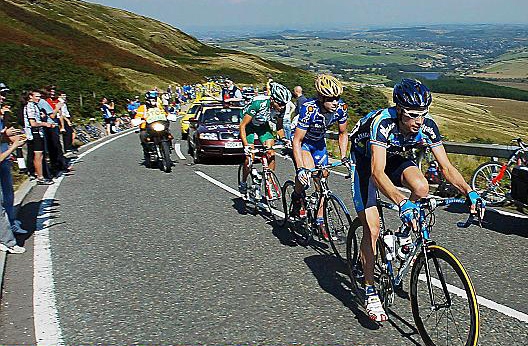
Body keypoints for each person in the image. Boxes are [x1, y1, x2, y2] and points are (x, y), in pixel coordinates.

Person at [349, 78, 485, 322]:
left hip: (393, 156)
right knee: (373, 229)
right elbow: (377, 173)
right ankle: (370, 291)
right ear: (400, 111)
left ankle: (402, 236)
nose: (419, 121)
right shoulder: (383, 123)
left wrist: (469, 192)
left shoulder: (427, 126)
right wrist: (402, 203)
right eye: (412, 115)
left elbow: (446, 167)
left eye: (423, 114)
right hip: (365, 162)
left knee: (421, 187)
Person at [290, 75, 349, 240]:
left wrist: (344, 157)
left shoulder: (341, 108)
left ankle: (320, 220)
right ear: (321, 97)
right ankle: (297, 195)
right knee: (307, 174)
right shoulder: (309, 109)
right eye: (331, 99)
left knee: (323, 180)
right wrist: (301, 168)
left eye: (337, 98)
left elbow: (343, 133)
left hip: (319, 144)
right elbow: (297, 140)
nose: (335, 102)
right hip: (304, 143)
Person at [238, 82, 291, 194]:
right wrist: (246, 146)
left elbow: (279, 126)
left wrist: (284, 139)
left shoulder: (283, 107)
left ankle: (269, 181)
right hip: (248, 125)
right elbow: (242, 126)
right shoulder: (258, 103)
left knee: (270, 153)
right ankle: (243, 182)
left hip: (262, 125)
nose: (282, 107)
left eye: (284, 104)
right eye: (280, 104)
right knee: (250, 157)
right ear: (272, 99)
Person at [0, 82, 29, 235]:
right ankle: (6, 230)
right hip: (2, 155)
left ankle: (11, 221)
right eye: (1, 94)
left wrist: (10, 134)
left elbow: (2, 134)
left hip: (4, 156)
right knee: (3, 196)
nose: (3, 97)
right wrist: (14, 143)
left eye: (4, 94)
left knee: (8, 193)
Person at [23, 90, 55, 185]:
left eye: (39, 96)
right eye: (37, 96)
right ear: (30, 96)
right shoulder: (30, 107)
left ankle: (39, 175)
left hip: (37, 133)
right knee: (38, 156)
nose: (39, 98)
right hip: (35, 133)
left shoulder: (34, 106)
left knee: (39, 155)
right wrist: (45, 124)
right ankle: (40, 177)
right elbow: (33, 123)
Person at [134, 90, 167, 163]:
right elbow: (138, 116)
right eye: (151, 99)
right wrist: (139, 120)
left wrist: (168, 116)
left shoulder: (159, 106)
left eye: (154, 99)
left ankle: (168, 145)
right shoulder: (142, 108)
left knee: (167, 132)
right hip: (147, 127)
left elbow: (164, 113)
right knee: (143, 135)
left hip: (159, 124)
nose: (153, 101)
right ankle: (148, 151)